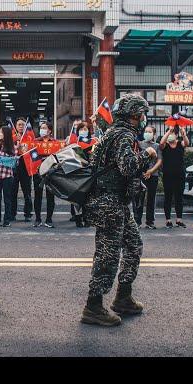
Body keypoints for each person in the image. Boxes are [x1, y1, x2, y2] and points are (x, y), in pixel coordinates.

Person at [81, 94, 156, 327]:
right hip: (109, 203)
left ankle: (123, 297)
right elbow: (127, 167)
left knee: (133, 246)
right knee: (108, 254)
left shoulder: (114, 133)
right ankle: (93, 306)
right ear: (134, 115)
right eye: (142, 114)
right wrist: (148, 154)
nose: (144, 119)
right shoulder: (122, 135)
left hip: (117, 203)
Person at [159, 126, 189, 228]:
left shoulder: (180, 144)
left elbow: (187, 143)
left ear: (176, 135)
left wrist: (183, 133)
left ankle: (179, 219)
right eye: (169, 133)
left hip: (179, 175)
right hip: (167, 175)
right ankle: (168, 220)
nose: (171, 135)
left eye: (172, 133)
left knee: (179, 197)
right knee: (168, 197)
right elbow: (161, 143)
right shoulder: (165, 146)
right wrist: (168, 132)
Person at [136, 126, 162, 230]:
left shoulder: (157, 146)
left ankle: (150, 222)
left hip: (153, 175)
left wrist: (151, 171)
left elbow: (159, 160)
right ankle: (137, 221)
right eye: (146, 131)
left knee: (151, 198)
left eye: (149, 132)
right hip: (141, 175)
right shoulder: (140, 144)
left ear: (154, 134)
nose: (147, 133)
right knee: (139, 199)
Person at [0, 125, 17, 228]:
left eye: (1, 132)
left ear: (6, 134)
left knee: (7, 199)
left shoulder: (13, 148)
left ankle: (7, 220)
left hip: (7, 176)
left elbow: (13, 162)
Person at [32, 122, 56, 228]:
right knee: (38, 196)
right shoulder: (35, 142)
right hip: (38, 172)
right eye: (41, 128)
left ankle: (49, 219)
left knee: (50, 196)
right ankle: (37, 219)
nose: (42, 130)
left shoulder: (55, 142)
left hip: (51, 173)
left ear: (49, 130)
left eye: (44, 128)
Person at [71, 120, 94, 228]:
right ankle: (78, 218)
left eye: (85, 129)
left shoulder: (93, 142)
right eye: (81, 129)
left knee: (88, 196)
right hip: (76, 172)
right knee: (76, 197)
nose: (83, 131)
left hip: (88, 172)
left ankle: (87, 218)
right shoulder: (73, 142)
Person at [10, 118, 33, 222]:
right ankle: (12, 213)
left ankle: (27, 213)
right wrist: (16, 141)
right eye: (18, 124)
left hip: (26, 166)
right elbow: (8, 150)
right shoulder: (12, 137)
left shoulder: (29, 137)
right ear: (15, 126)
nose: (20, 126)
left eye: (22, 125)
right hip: (15, 166)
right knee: (13, 191)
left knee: (27, 191)